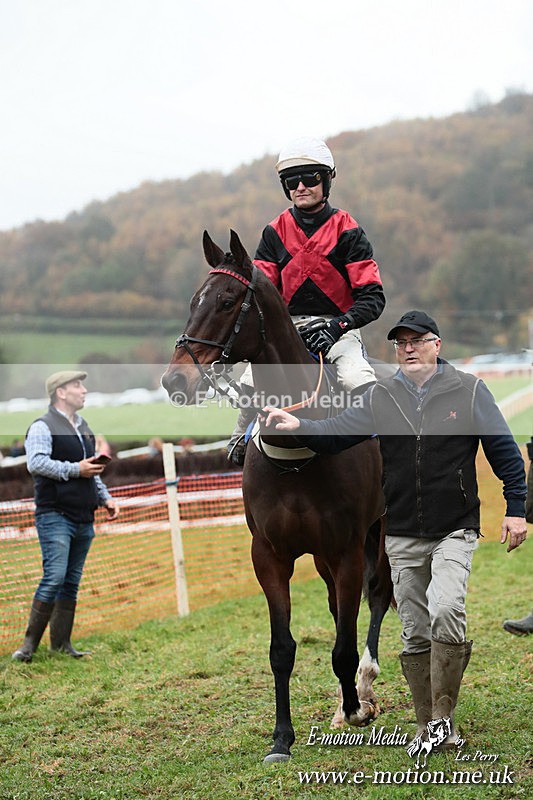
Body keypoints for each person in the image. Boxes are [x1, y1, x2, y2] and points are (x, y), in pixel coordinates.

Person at [263, 310, 527, 746]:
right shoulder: (382, 396)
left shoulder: (469, 389)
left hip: (454, 528)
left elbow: (503, 450)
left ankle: (444, 721)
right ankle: (427, 725)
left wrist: (516, 507)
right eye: (401, 343)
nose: (408, 349)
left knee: (446, 613)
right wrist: (300, 426)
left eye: (417, 340)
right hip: (402, 531)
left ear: (436, 345)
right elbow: (337, 432)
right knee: (415, 631)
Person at [227, 135, 385, 465]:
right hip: (287, 329)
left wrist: (337, 326)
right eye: (291, 180)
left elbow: (372, 298)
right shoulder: (274, 231)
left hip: (339, 328)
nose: (301, 186)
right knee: (247, 383)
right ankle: (241, 436)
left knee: (358, 378)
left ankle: (383, 450)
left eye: (310, 178)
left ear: (327, 181)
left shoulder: (348, 228)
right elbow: (261, 292)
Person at [12, 370, 119, 663]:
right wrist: (76, 470)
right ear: (61, 392)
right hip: (55, 514)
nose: (83, 390)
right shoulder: (42, 427)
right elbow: (36, 463)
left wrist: (105, 498)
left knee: (71, 580)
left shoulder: (83, 427)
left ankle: (61, 645)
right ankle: (28, 647)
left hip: (85, 515)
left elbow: (91, 470)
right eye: (77, 385)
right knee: (55, 576)